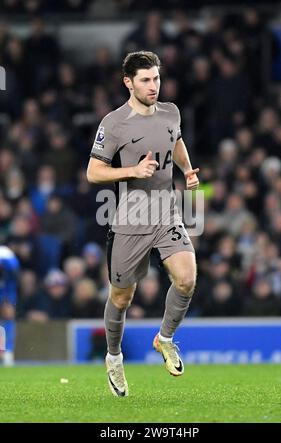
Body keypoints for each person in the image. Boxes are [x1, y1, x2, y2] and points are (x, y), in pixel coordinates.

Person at [87, 51, 199, 397]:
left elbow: (175, 140)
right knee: (121, 298)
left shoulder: (170, 111)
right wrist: (132, 171)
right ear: (128, 83)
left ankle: (164, 339)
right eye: (146, 80)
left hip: (166, 212)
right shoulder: (114, 123)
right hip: (130, 218)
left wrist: (187, 168)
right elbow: (93, 172)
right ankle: (114, 358)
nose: (154, 86)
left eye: (157, 79)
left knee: (187, 278)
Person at [0, 245, 20, 366]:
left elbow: (14, 269)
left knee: (8, 314)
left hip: (7, 288)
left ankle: (7, 351)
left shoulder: (5, 253)